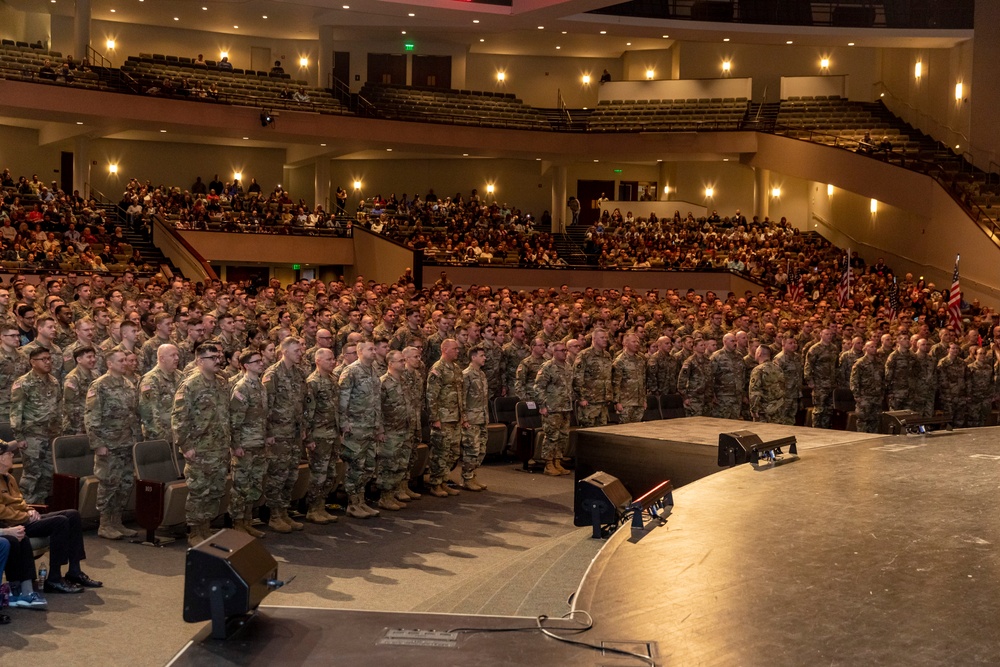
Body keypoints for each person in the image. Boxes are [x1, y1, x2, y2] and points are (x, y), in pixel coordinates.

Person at [0, 442, 102, 596]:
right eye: (8, 454)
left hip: (24, 518)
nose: (12, 455)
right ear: (0, 458)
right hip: (13, 524)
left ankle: (74, 571)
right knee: (60, 522)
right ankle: (54, 578)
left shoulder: (9, 477)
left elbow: (19, 501)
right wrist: (25, 516)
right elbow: (2, 512)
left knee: (72, 515)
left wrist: (29, 509)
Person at [172, 343, 231, 546]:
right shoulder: (190, 385)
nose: (218, 361)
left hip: (220, 447)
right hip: (199, 448)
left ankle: (206, 526)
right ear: (199, 361)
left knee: (216, 489)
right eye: (212, 358)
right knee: (199, 490)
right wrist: (185, 446)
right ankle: (195, 530)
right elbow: (179, 418)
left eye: (219, 356)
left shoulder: (222, 383)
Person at [85, 349, 140, 540]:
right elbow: (92, 417)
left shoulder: (129, 384)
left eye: (126, 360)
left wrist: (137, 440)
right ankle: (104, 524)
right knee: (108, 483)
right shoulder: (99, 385)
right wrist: (97, 444)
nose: (125, 363)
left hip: (126, 443)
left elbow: (134, 415)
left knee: (125, 483)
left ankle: (117, 521)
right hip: (108, 444)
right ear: (109, 363)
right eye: (121, 360)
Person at [262, 337, 308, 532]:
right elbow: (265, 407)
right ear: (285, 352)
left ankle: (284, 512)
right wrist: (268, 433)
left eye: (300, 350)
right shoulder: (272, 374)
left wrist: (303, 428)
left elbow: (302, 403)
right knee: (277, 475)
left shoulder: (299, 373)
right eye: (296, 350)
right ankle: (274, 515)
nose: (300, 353)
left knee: (291, 474)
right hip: (278, 433)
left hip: (294, 432)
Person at [10, 346, 62, 504]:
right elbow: (16, 411)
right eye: (43, 359)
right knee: (32, 476)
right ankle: (25, 511)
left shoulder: (53, 381)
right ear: (33, 362)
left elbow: (59, 407)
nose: (47, 362)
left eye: (49, 358)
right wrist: (19, 437)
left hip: (51, 435)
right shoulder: (24, 383)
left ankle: (41, 511)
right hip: (32, 436)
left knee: (47, 476)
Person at [338, 340, 384, 518]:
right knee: (356, 467)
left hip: (370, 426)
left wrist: (379, 426)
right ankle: (352, 504)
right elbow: (343, 400)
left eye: (374, 349)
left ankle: (361, 500)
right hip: (355, 427)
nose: (374, 352)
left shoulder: (373, 371)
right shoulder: (351, 371)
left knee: (369, 466)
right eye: (370, 349)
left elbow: (377, 401)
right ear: (359, 351)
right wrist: (344, 423)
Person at [228, 348, 268, 537]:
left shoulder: (260, 386)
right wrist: (236, 445)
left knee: (254, 484)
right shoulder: (242, 387)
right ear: (245, 366)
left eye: (261, 360)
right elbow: (235, 419)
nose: (261, 363)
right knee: (241, 486)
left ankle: (247, 520)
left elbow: (263, 416)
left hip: (258, 443)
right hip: (245, 444)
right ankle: (237, 523)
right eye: (256, 361)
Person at [302, 348, 340, 524]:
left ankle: (321, 506)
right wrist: (308, 439)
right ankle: (313, 508)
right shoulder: (313, 382)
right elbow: (308, 413)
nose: (333, 362)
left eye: (333, 359)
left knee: (331, 473)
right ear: (318, 361)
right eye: (329, 359)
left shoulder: (333, 379)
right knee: (319, 474)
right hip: (319, 435)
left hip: (332, 432)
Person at [533, 342, 573, 476]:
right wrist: (542, 405)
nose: (565, 352)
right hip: (552, 407)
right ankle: (548, 463)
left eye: (565, 350)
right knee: (551, 436)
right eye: (561, 350)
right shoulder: (548, 366)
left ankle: (557, 461)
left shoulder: (568, 367)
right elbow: (538, 387)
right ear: (554, 352)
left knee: (563, 436)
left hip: (565, 407)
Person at [460, 345, 489, 491]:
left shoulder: (482, 374)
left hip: (482, 417)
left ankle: (473, 475)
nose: (485, 358)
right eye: (482, 355)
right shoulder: (466, 375)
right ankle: (467, 478)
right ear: (473, 357)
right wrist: (464, 418)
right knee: (472, 449)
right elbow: (462, 398)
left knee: (481, 449)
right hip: (471, 419)